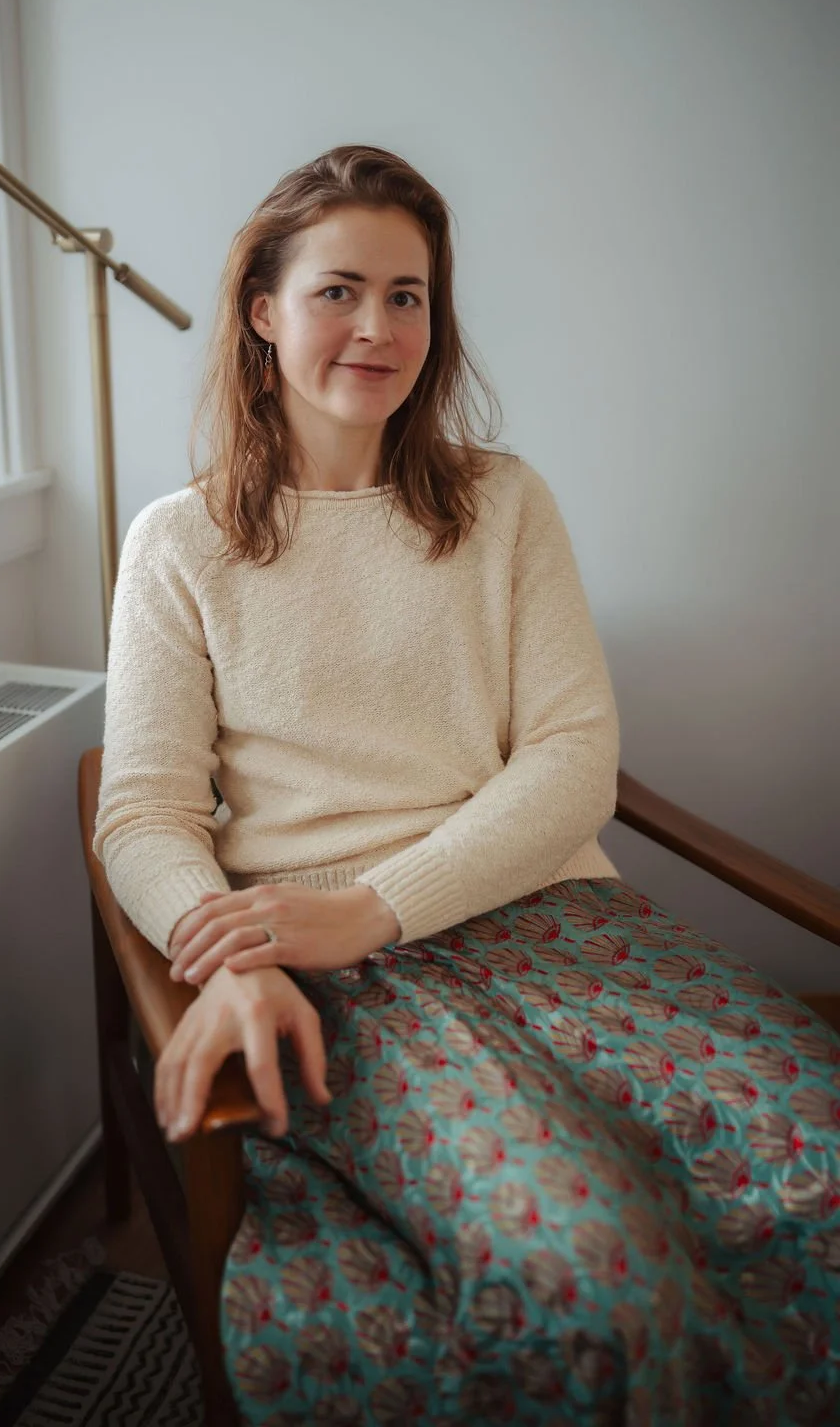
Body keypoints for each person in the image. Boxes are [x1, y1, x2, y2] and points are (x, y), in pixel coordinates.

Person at [93, 144, 840, 1425]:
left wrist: (374, 904)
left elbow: (571, 760)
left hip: (552, 917)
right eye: (338, 291)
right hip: (336, 970)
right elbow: (144, 810)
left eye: (408, 295)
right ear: (262, 314)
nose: (377, 328)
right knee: (594, 1276)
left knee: (815, 1155)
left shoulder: (502, 502)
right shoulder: (179, 540)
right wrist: (230, 959)